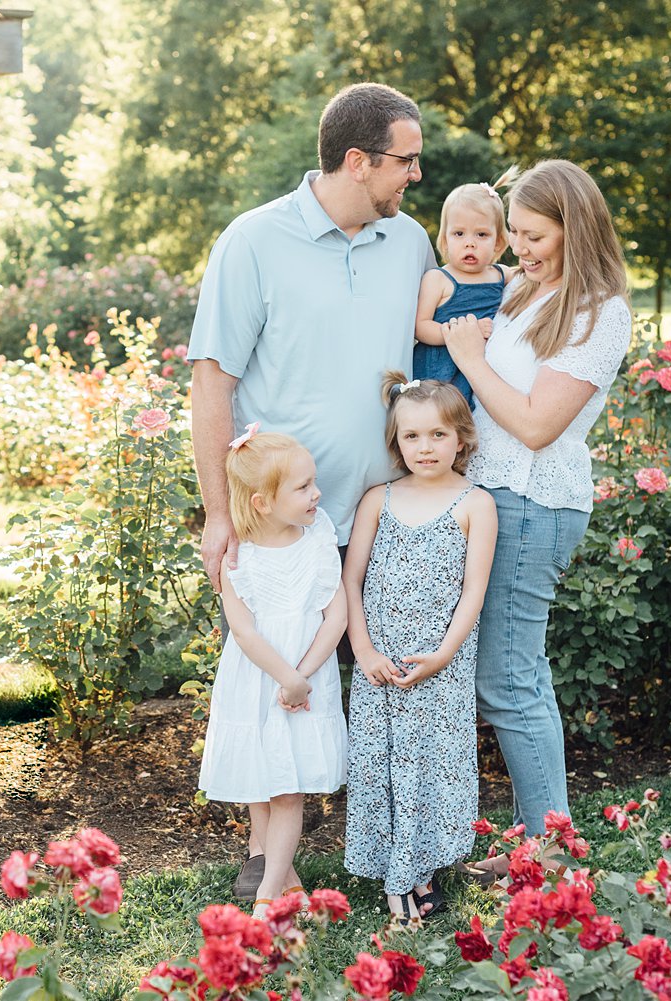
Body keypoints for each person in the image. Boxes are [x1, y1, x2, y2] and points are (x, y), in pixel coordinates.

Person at [188, 81, 436, 900]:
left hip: (389, 514)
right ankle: (270, 857)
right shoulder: (253, 241)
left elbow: (446, 340)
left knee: (392, 681)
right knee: (275, 682)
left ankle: (403, 852)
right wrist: (220, 517)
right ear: (357, 160)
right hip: (283, 523)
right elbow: (212, 382)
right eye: (406, 161)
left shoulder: (408, 243)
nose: (416, 177)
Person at [440, 160, 632, 874]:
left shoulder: (598, 311)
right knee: (513, 673)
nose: (518, 247)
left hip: (534, 498)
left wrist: (468, 353)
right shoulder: (526, 288)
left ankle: (549, 848)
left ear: (574, 228)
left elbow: (534, 423)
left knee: (509, 675)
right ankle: (536, 835)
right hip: (492, 496)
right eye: (514, 232)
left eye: (533, 235)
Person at [341, 373, 496, 921]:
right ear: (395, 441)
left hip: (439, 665)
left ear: (461, 439)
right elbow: (351, 580)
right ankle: (393, 869)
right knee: (382, 765)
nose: (424, 448)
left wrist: (444, 655)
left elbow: (473, 591)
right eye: (411, 437)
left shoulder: (475, 503)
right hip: (380, 664)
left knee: (432, 765)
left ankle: (423, 867)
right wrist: (361, 649)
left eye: (436, 435)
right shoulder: (378, 499)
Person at [197, 429, 348, 917]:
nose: (316, 494)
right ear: (262, 502)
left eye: (313, 483)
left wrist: (302, 676)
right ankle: (287, 880)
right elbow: (242, 632)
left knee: (288, 786)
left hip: (305, 678)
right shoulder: (237, 561)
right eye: (303, 488)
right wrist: (286, 676)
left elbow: (337, 617)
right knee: (261, 778)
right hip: (258, 678)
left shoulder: (318, 540)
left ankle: (266, 901)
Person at [413, 179, 518, 409]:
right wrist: (463, 333)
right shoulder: (438, 279)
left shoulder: (501, 275)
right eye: (459, 234)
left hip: (481, 374)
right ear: (445, 240)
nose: (470, 243)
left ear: (499, 242)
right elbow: (420, 326)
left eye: (481, 235)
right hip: (440, 373)